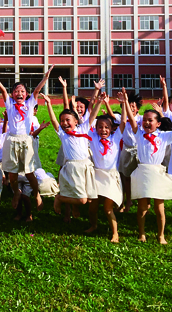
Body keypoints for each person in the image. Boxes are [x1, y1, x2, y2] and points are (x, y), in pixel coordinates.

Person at [123, 88, 172, 244]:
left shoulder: (164, 136)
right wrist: (124, 101)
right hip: (143, 171)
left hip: (157, 172)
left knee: (159, 207)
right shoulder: (139, 134)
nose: (147, 123)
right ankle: (142, 233)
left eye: (151, 120)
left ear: (158, 124)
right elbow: (130, 119)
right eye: (145, 120)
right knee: (142, 207)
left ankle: (161, 235)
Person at [0, 63, 54, 211]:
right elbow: (2, 90)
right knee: (12, 174)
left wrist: (45, 77)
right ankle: (16, 193)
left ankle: (36, 194)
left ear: (26, 94)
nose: (19, 93)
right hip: (12, 140)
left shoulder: (30, 104)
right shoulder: (10, 105)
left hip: (26, 140)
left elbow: (37, 90)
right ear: (12, 94)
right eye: (16, 91)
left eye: (22, 91)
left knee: (30, 172)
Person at [42, 92, 100, 218]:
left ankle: (72, 207)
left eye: (68, 120)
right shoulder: (63, 135)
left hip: (86, 166)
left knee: (89, 198)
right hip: (73, 167)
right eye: (62, 121)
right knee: (82, 200)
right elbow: (53, 120)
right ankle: (59, 198)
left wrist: (99, 102)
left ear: (76, 121)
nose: (64, 123)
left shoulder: (83, 129)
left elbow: (93, 114)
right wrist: (49, 104)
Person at [84, 95, 127, 243]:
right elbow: (90, 119)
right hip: (97, 175)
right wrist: (98, 102)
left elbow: (123, 122)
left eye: (107, 127)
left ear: (111, 129)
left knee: (108, 208)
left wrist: (124, 103)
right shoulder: (93, 137)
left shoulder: (115, 139)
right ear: (95, 129)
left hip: (110, 176)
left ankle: (115, 233)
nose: (103, 130)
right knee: (93, 207)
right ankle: (93, 225)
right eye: (100, 127)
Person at [118, 91, 143, 213]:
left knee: (141, 177)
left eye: (133, 106)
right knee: (126, 177)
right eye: (129, 106)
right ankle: (127, 201)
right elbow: (119, 119)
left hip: (140, 151)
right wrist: (123, 102)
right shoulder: (122, 120)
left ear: (137, 109)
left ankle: (144, 202)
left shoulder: (142, 119)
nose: (131, 108)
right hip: (126, 150)